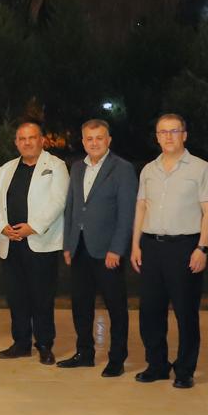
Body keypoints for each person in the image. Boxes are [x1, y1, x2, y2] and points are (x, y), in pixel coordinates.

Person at [130, 113, 208, 388]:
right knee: (150, 311)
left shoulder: (201, 169)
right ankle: (157, 365)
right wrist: (135, 244)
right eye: (163, 132)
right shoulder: (148, 170)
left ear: (184, 135)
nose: (168, 136)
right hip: (151, 246)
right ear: (157, 137)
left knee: (185, 312)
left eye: (174, 131)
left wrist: (202, 248)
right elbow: (141, 207)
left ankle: (185, 369)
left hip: (185, 247)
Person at [0, 120, 69, 364]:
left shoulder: (56, 166)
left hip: (40, 242)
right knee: (16, 297)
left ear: (41, 140)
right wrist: (2, 227)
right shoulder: (7, 168)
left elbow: (59, 201)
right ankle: (21, 343)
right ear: (16, 143)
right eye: (22, 139)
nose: (27, 142)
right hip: (11, 242)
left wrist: (32, 227)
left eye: (32, 137)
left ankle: (44, 345)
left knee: (42, 297)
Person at [60, 119, 137, 372]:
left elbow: (127, 213)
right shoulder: (77, 168)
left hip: (107, 251)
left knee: (115, 306)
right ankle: (84, 353)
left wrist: (117, 248)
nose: (94, 143)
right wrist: (68, 244)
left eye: (99, 138)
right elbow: (72, 207)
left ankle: (117, 358)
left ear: (108, 140)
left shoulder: (122, 169)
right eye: (89, 139)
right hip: (80, 247)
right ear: (83, 141)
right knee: (81, 304)